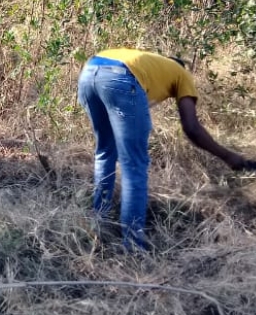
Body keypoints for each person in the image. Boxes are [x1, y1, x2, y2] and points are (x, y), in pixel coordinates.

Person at [77, 48, 246, 251]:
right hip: (121, 77)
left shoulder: (151, 64)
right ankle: (133, 247)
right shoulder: (181, 73)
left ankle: (98, 226)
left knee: (105, 153)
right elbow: (192, 128)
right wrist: (227, 155)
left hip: (89, 73)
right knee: (134, 166)